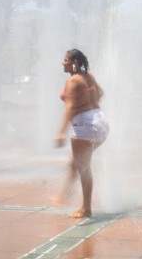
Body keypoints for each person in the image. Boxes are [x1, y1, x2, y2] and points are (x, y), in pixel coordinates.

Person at [53, 49, 109, 218]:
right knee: (76, 163)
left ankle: (86, 209)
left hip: (85, 125)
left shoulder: (72, 81)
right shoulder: (89, 76)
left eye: (65, 60)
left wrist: (61, 133)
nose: (63, 63)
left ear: (74, 62)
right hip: (100, 121)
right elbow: (100, 93)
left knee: (83, 166)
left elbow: (69, 107)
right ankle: (64, 196)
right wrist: (88, 106)